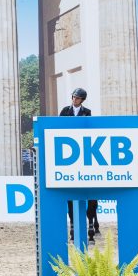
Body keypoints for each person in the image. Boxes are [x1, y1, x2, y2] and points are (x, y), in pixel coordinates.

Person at [59, 87, 97, 241]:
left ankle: (91, 222)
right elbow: (59, 128)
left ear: (82, 100)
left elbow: (87, 128)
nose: (75, 100)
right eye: (74, 97)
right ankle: (73, 224)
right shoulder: (64, 111)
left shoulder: (87, 111)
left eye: (78, 98)